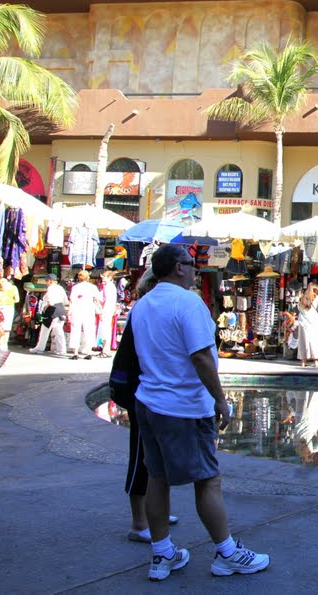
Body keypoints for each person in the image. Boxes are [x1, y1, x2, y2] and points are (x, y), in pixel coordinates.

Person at [131, 244, 269, 581]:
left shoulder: (142, 305)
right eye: (192, 264)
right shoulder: (188, 302)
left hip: (149, 402)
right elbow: (201, 357)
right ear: (178, 268)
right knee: (208, 480)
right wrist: (220, 400)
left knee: (157, 479)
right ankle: (228, 553)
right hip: (183, 408)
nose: (196, 270)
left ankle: (162, 554)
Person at [121, 268, 180, 544]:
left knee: (158, 458)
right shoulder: (141, 311)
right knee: (141, 459)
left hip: (156, 393)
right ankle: (138, 522)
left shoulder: (149, 311)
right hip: (143, 393)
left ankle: (155, 511)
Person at [30, 274, 68, 356]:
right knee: (58, 331)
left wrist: (46, 306)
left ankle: (40, 348)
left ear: (50, 281)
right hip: (61, 309)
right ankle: (62, 350)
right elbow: (66, 301)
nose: (46, 282)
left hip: (52, 310)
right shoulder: (61, 288)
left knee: (45, 330)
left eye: (47, 281)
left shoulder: (51, 288)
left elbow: (50, 301)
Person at [68, 269, 101, 360]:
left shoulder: (75, 287)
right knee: (89, 330)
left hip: (77, 310)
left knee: (75, 330)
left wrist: (69, 312)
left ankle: (75, 353)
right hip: (89, 310)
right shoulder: (93, 287)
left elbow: (72, 300)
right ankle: (89, 352)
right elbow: (98, 299)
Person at [294, 284, 318, 368]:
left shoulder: (302, 298)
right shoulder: (317, 298)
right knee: (315, 341)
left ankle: (303, 362)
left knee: (303, 342)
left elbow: (299, 309)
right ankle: (316, 362)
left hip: (303, 323)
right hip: (314, 322)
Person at [97, 270, 119, 358]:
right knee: (104, 330)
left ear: (110, 277)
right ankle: (105, 349)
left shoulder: (110, 287)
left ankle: (106, 350)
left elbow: (108, 301)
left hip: (106, 310)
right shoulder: (107, 286)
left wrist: (102, 312)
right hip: (106, 309)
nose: (102, 278)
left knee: (106, 330)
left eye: (104, 276)